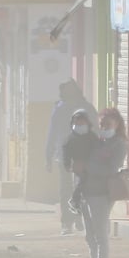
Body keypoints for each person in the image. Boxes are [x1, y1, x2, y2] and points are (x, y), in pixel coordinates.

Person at [73, 108, 128, 258]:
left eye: (108, 125)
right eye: (102, 124)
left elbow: (112, 169)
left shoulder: (119, 144)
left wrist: (89, 168)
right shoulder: (98, 143)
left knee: (100, 236)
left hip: (101, 195)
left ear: (117, 125)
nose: (104, 128)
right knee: (90, 237)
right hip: (86, 193)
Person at [46, 79, 95, 235]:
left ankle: (71, 221)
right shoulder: (84, 107)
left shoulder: (67, 108)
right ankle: (72, 220)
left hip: (74, 155)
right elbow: (52, 134)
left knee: (69, 189)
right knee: (74, 188)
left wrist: (48, 156)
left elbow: (52, 135)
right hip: (72, 155)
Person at [61, 110, 97, 214]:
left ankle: (76, 201)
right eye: (77, 123)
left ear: (87, 123)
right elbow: (66, 152)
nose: (79, 125)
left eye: (82, 123)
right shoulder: (70, 139)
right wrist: (67, 165)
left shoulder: (92, 137)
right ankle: (75, 200)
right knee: (81, 182)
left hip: (93, 167)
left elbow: (98, 150)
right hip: (78, 168)